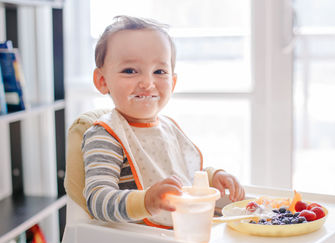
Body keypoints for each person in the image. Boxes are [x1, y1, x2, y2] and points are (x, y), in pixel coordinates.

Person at [82, 15, 245, 228]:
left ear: (173, 82)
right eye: (130, 71)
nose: (147, 83)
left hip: (180, 236)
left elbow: (182, 175)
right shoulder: (106, 135)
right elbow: (98, 200)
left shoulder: (169, 128)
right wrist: (147, 200)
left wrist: (212, 177)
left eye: (159, 71)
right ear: (102, 81)